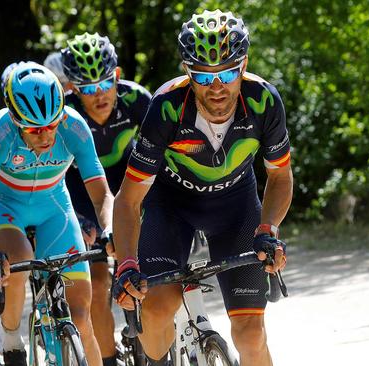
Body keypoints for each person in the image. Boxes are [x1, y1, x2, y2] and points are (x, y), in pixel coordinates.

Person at [111, 9, 293, 366]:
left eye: (227, 72)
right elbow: (129, 200)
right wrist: (127, 264)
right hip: (171, 206)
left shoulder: (263, 100)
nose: (217, 87)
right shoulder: (166, 107)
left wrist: (268, 230)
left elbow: (280, 176)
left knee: (251, 333)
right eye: (203, 75)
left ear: (243, 66)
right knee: (158, 307)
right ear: (186, 71)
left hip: (236, 206)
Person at [0, 63, 113, 366]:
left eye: (52, 125)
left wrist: (110, 228)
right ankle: (11, 340)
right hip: (6, 210)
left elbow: (102, 196)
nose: (45, 136)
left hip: (54, 208)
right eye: (34, 129)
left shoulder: (74, 126)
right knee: (18, 255)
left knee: (82, 320)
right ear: (17, 122)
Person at [61, 32, 151, 366]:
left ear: (116, 75)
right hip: (82, 194)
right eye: (87, 87)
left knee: (149, 268)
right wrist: (81, 221)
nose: (99, 94)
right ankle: (109, 359)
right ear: (73, 89)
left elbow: (168, 155)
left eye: (105, 83)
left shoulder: (136, 99)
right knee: (98, 285)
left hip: (128, 185)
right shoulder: (64, 115)